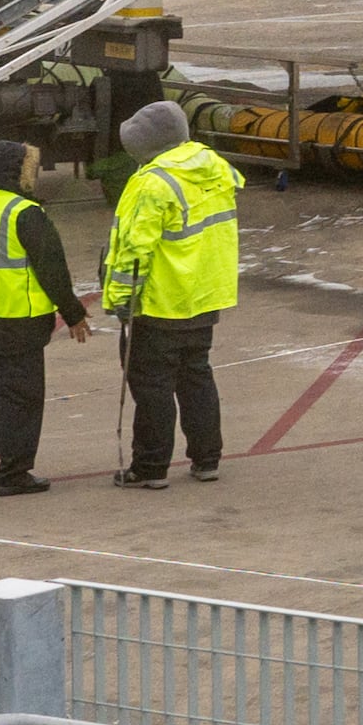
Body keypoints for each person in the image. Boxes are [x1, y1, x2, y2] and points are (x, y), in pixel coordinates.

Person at [103, 96, 245, 488]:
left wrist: (121, 298)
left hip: (161, 302)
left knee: (153, 387)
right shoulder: (214, 168)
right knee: (197, 377)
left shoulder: (152, 183)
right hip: (204, 297)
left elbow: (134, 250)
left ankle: (151, 467)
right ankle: (207, 458)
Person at [0, 140, 90, 495]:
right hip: (20, 321)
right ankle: (12, 472)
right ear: (18, 172)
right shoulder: (25, 213)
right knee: (20, 398)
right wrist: (73, 313)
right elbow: (52, 269)